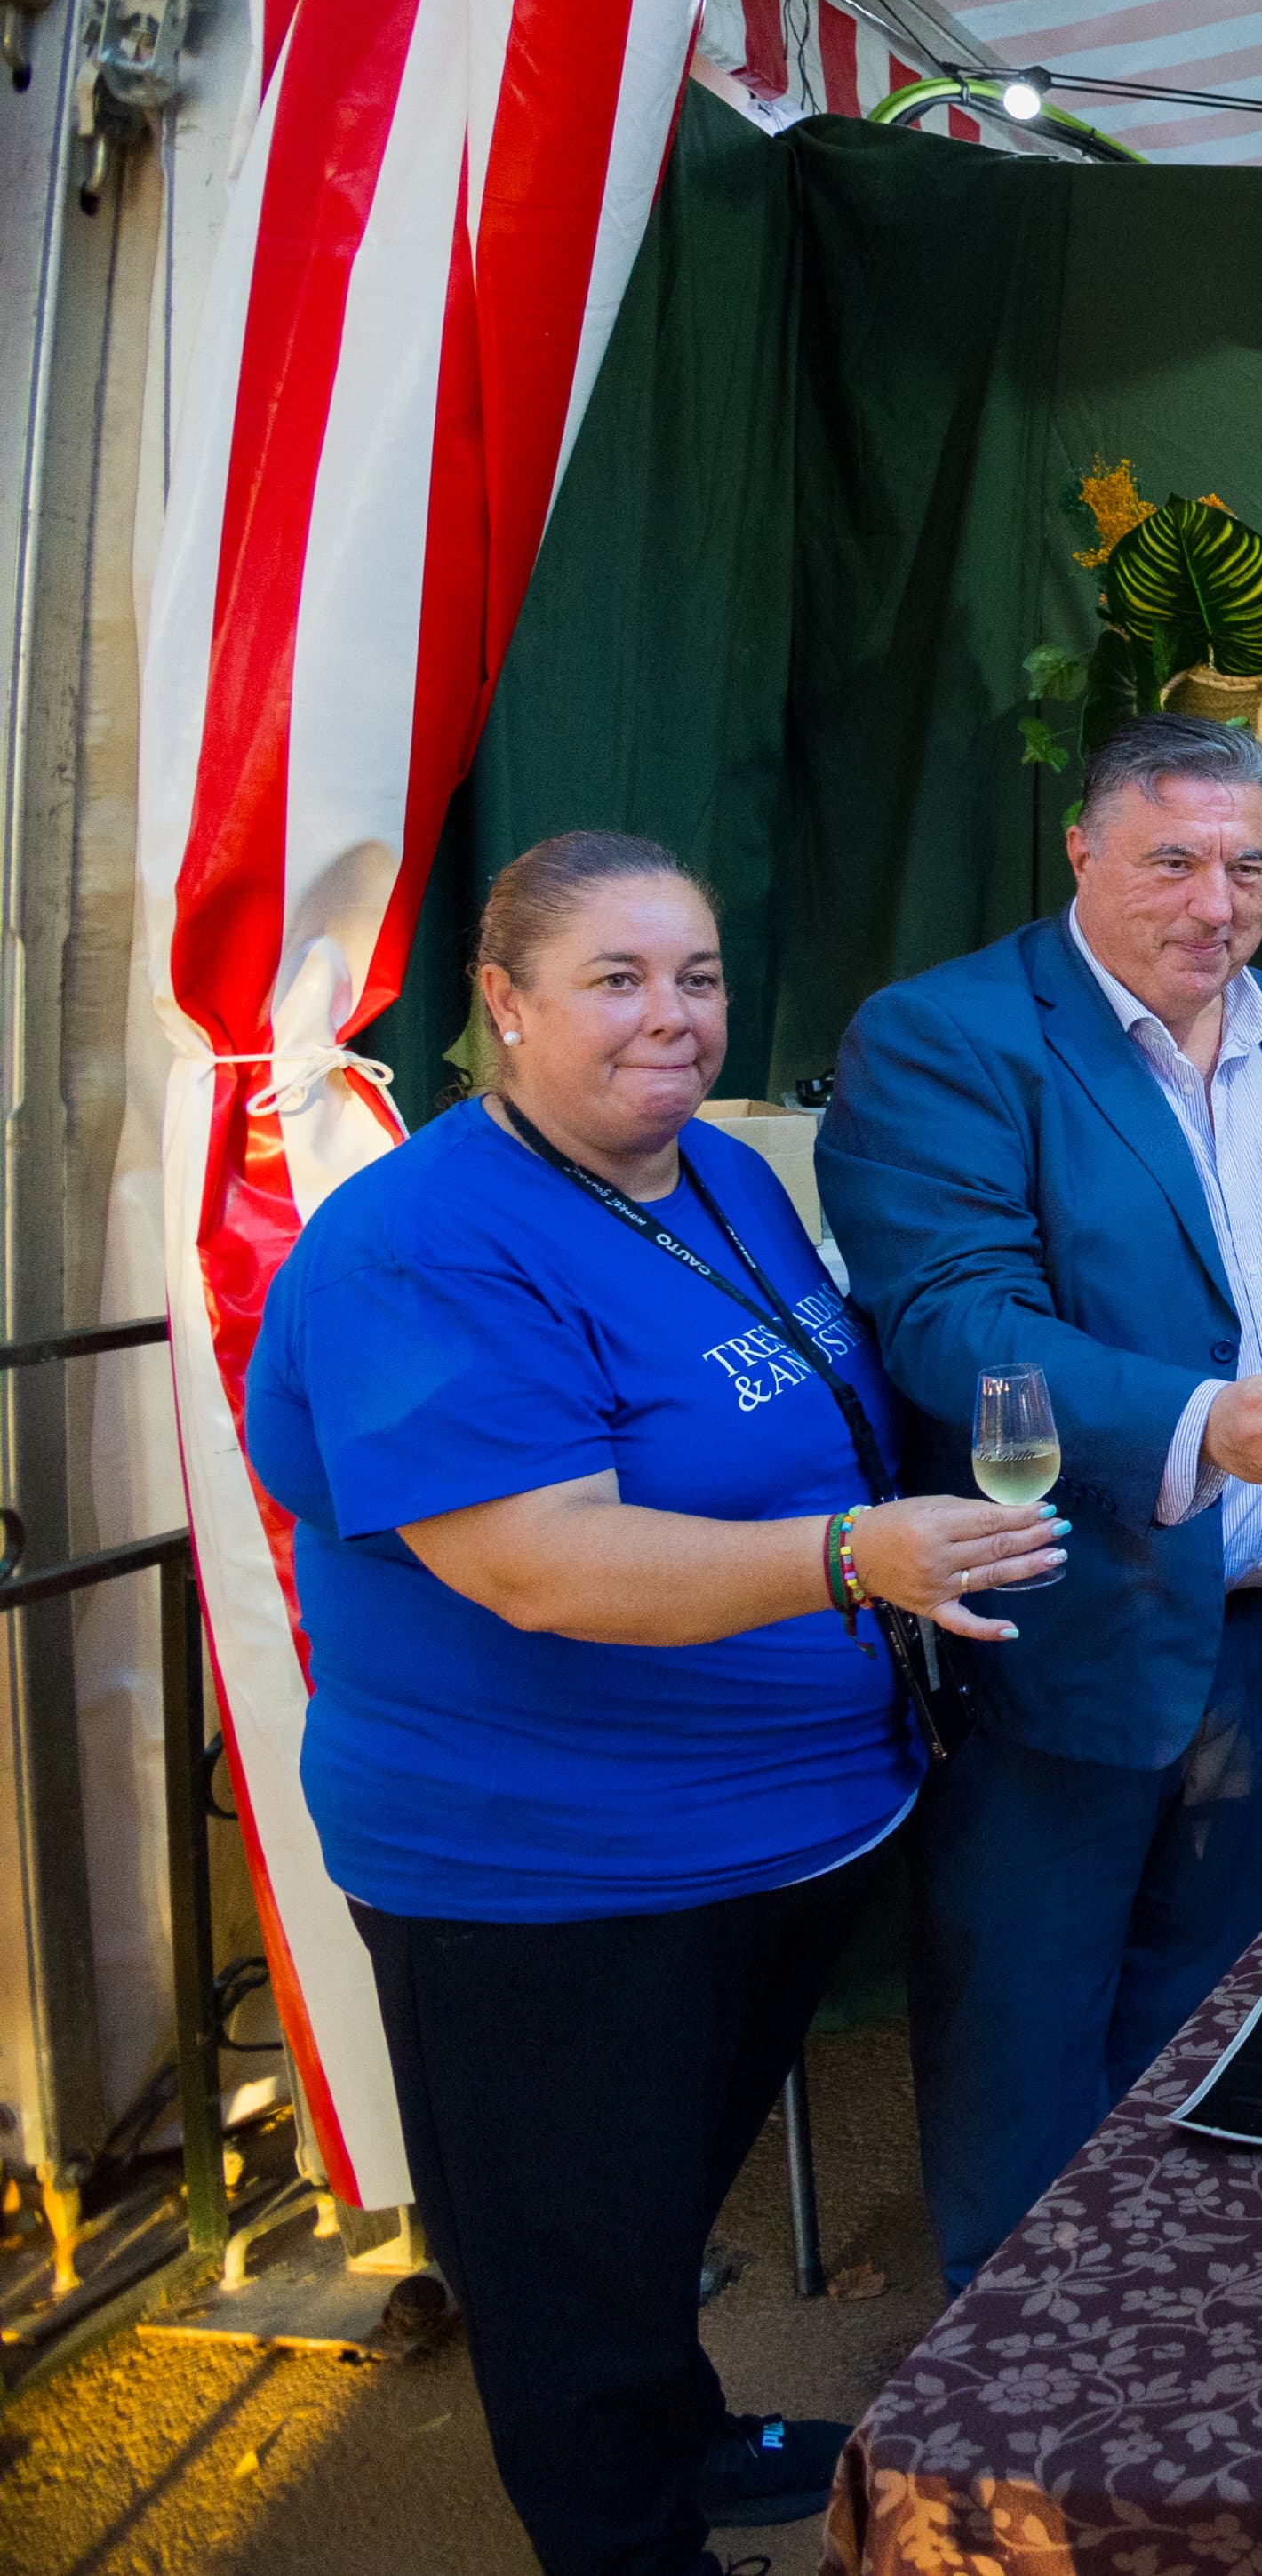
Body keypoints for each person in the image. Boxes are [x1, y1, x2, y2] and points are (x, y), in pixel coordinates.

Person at [248, 834, 1059, 2572]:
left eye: (693, 974)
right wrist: (860, 1554)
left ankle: (683, 2435)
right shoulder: (418, 1241)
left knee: (643, 2216)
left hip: (771, 1837)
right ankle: (624, 2534)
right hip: (551, 1872)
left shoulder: (714, 1180)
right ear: (503, 998)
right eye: (614, 978)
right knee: (567, 2261)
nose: (670, 1016)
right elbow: (546, 1562)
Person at [819, 717, 1262, 2294]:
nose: (1217, 900)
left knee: (1203, 2014)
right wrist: (1202, 1420)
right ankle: (1007, 2415)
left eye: (1247, 866)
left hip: (1259, 1633)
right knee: (1028, 2026)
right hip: (1073, 1623)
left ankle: (1160, 2349)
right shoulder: (949, 1034)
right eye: (1174, 858)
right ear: (1081, 853)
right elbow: (951, 1316)